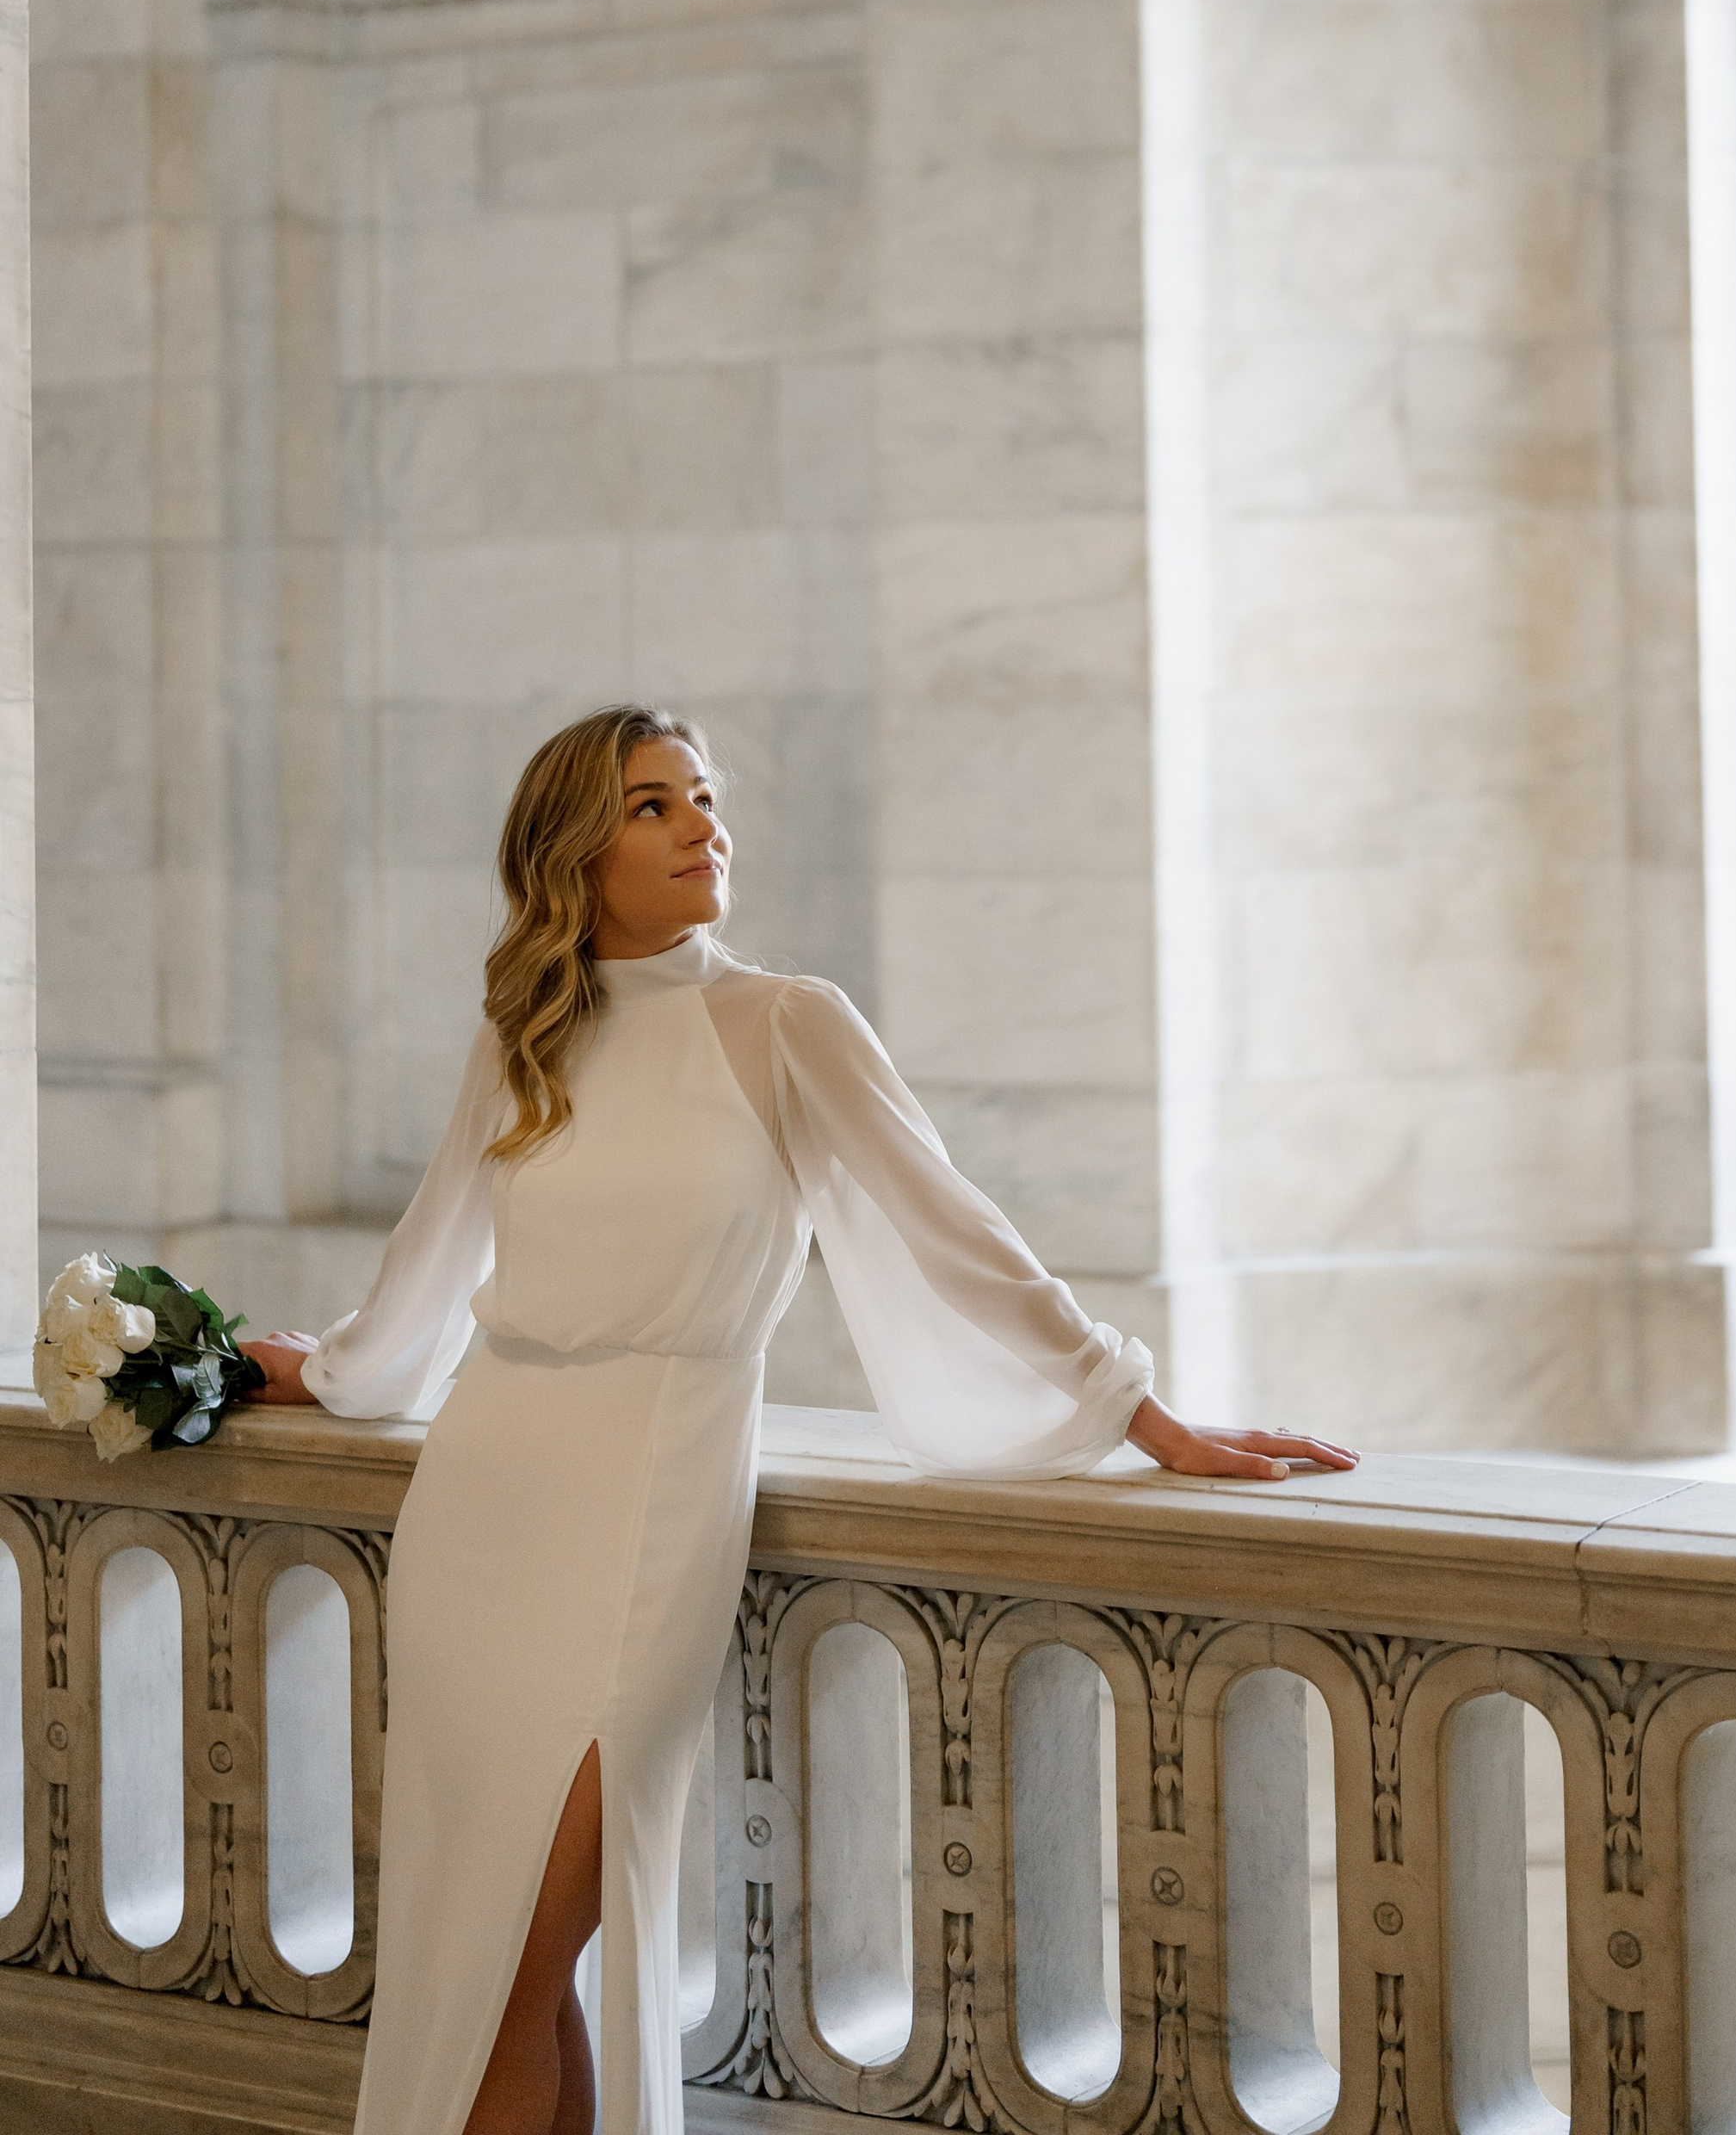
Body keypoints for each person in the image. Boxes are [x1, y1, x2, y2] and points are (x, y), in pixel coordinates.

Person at [244, 704, 1354, 2135]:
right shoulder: (524, 1035)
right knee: (497, 1970)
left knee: (525, 1950)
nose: (703, 825)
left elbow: (956, 1230)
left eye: (705, 797)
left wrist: (1141, 1415)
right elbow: (430, 1268)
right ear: (574, 850)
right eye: (654, 805)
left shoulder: (784, 1024)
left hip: (651, 1497)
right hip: (487, 1501)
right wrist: (318, 1371)